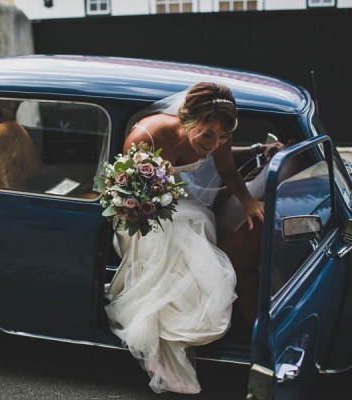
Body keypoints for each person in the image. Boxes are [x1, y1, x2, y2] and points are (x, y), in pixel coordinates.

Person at [104, 81, 280, 394]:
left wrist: (249, 202)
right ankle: (161, 340)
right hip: (138, 214)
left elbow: (227, 172)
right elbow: (123, 191)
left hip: (178, 203)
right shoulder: (147, 136)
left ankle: (183, 328)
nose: (215, 143)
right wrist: (148, 208)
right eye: (208, 134)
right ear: (187, 122)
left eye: (223, 136)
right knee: (173, 253)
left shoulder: (219, 136)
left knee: (198, 247)